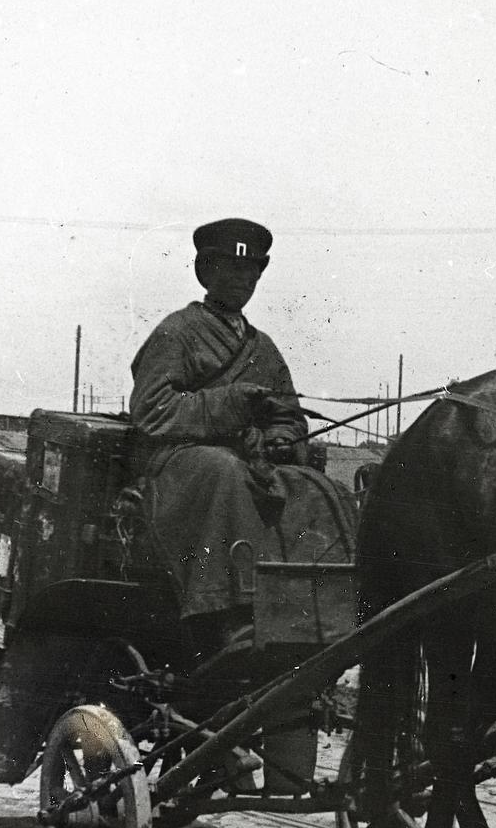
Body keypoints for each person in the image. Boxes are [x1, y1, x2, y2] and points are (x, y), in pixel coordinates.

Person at [129, 217, 346, 792]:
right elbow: (150, 416)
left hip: (245, 467)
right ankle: (232, 612)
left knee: (319, 489)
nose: (242, 280)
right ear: (206, 271)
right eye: (231, 268)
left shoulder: (264, 347)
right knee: (225, 473)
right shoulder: (176, 334)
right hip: (181, 471)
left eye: (251, 271)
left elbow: (288, 413)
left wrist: (283, 437)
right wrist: (225, 406)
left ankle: (319, 607)